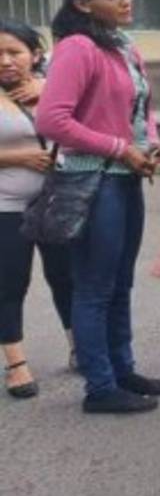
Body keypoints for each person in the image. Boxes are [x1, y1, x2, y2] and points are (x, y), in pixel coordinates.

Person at [36, 0, 160, 414]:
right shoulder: (77, 48)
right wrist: (119, 148)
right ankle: (100, 386)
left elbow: (140, 109)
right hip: (91, 180)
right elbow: (52, 120)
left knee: (119, 283)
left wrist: (150, 145)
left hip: (125, 176)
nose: (125, 0)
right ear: (82, 3)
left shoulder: (123, 46)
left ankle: (123, 368)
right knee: (94, 285)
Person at [0, 21, 73, 398]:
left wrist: (47, 94)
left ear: (34, 55)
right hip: (5, 206)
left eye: (15, 52)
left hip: (53, 199)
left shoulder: (51, 89)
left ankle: (78, 348)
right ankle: (16, 364)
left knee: (65, 275)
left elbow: (78, 128)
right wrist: (18, 157)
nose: (6, 61)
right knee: (11, 283)